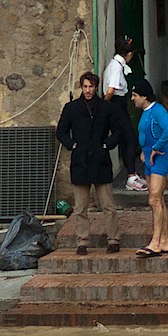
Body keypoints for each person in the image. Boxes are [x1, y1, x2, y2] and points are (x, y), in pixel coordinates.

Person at [56, 71, 128, 255]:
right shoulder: (71, 108)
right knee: (80, 207)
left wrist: (107, 144)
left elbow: (119, 130)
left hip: (100, 160)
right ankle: (82, 241)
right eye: (85, 86)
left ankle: (113, 239)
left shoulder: (106, 108)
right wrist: (71, 144)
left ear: (96, 87)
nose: (87, 90)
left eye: (91, 87)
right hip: (80, 161)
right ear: (82, 87)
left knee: (108, 205)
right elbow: (61, 131)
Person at [130, 79, 168, 257]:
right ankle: (164, 241)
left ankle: (155, 242)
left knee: (153, 200)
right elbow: (145, 136)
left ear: (144, 96)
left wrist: (156, 148)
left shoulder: (158, 110)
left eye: (135, 95)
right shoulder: (145, 112)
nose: (132, 99)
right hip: (149, 160)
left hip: (160, 159)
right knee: (159, 200)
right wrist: (144, 151)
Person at [103, 35, 147, 190]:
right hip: (116, 105)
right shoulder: (116, 67)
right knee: (130, 139)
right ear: (129, 55)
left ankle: (132, 173)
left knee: (123, 138)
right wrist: (104, 106)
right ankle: (131, 177)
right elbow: (110, 90)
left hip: (118, 104)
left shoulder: (116, 65)